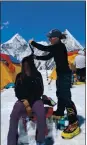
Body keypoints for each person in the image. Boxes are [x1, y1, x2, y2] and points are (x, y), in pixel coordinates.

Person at [29, 29, 80, 139]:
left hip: (65, 75)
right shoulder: (56, 48)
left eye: (50, 37)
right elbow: (48, 56)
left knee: (66, 97)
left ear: (56, 38)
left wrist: (33, 43)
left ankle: (74, 122)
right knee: (60, 93)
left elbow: (45, 48)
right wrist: (36, 57)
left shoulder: (59, 46)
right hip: (61, 74)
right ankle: (60, 112)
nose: (48, 39)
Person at [7, 55, 50, 145]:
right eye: (24, 65)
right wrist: (25, 101)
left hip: (35, 100)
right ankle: (11, 142)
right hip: (22, 101)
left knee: (41, 113)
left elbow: (40, 91)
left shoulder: (37, 75)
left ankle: (40, 139)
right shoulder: (19, 76)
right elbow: (17, 91)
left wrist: (30, 100)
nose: (26, 67)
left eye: (27, 64)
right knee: (14, 115)